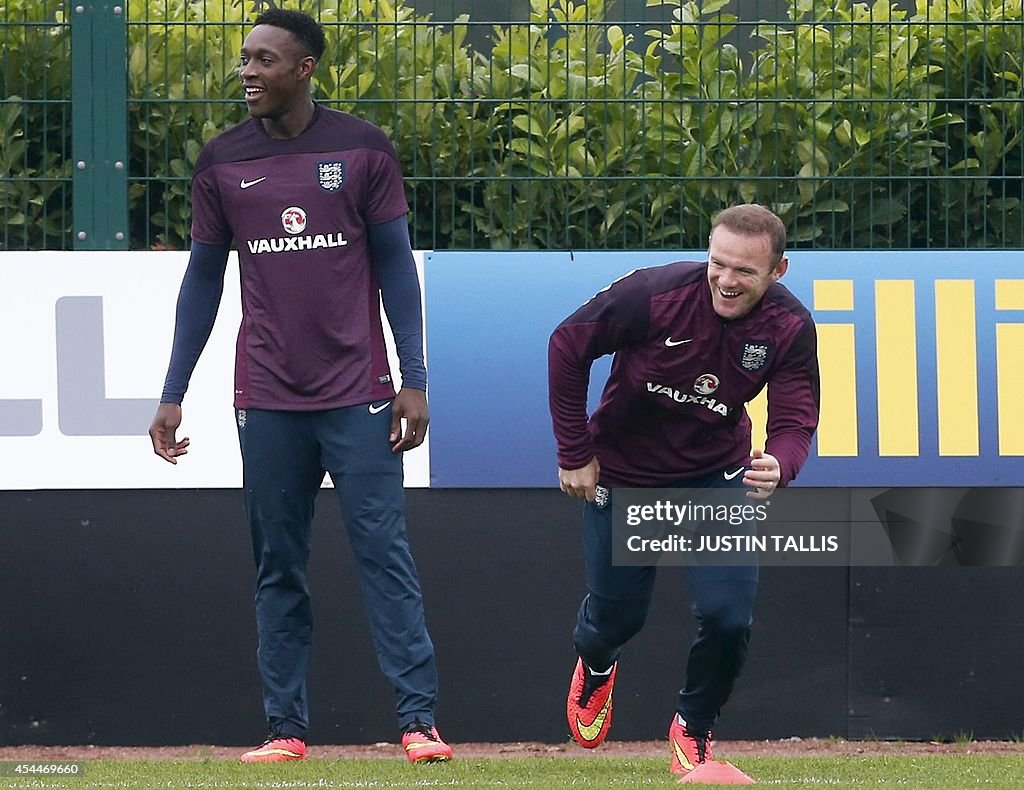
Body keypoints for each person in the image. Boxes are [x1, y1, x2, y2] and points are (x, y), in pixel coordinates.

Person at [148, 8, 451, 765]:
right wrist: (172, 390)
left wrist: (414, 381)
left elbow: (395, 269)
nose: (247, 71)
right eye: (244, 58)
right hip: (268, 399)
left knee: (384, 555)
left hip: (360, 395)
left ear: (306, 68)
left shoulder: (362, 147)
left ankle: (418, 724)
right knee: (278, 564)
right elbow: (202, 283)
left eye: (264, 60)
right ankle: (285, 730)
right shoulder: (221, 161)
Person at [548, 204, 819, 778]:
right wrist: (576, 453)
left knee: (728, 618)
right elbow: (566, 346)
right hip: (624, 475)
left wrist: (782, 462)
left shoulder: (790, 326)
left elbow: (795, 417)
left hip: (716, 477)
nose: (725, 280)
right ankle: (597, 668)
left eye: (745, 271)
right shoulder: (651, 294)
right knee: (613, 624)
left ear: (779, 270)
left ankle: (694, 728)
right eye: (717, 263)